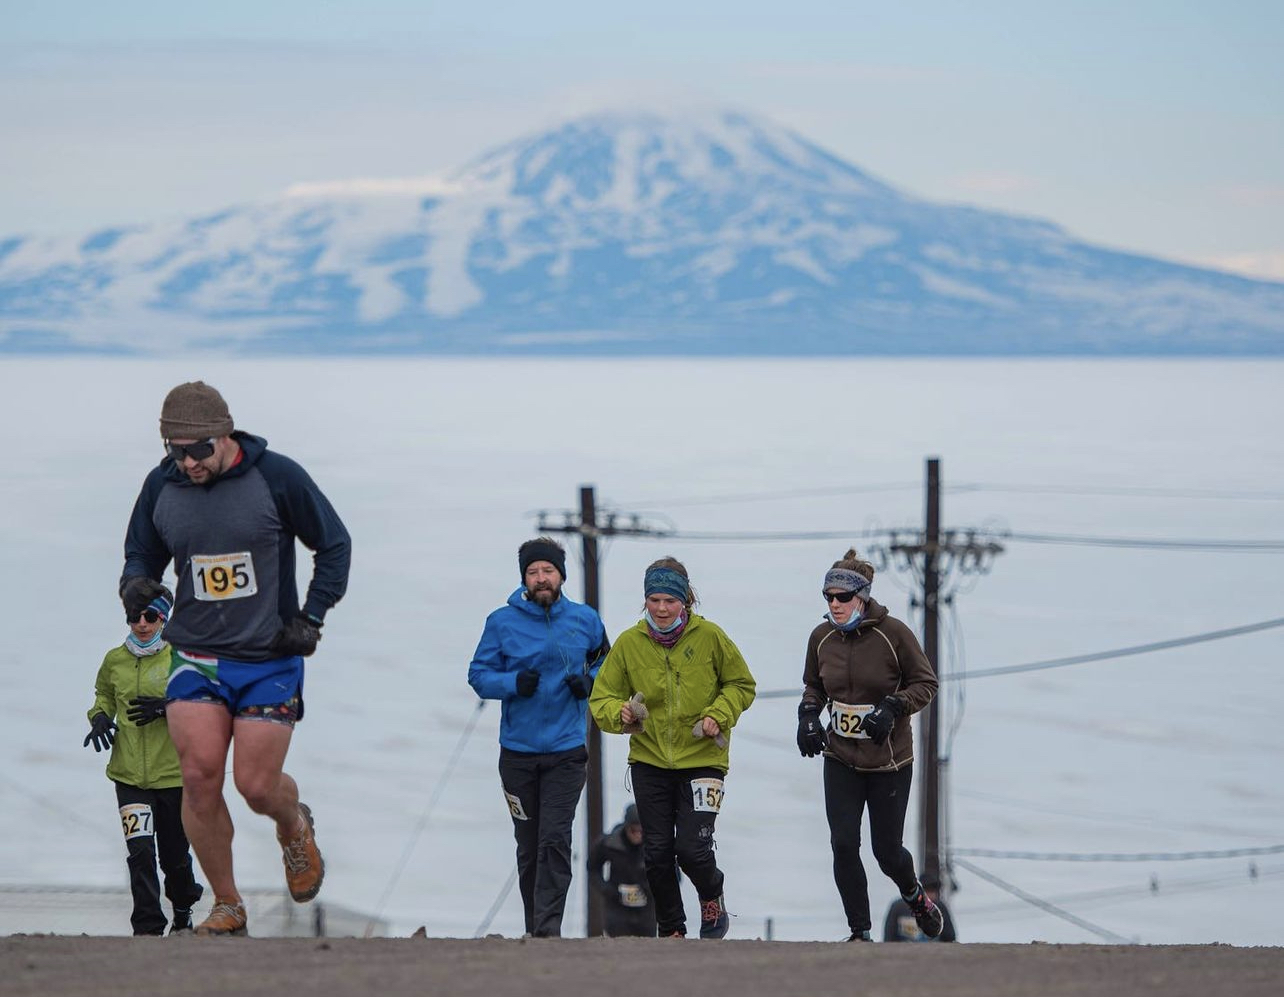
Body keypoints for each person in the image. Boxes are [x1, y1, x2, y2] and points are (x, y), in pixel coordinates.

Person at [120, 381, 351, 937]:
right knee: (198, 776)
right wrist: (134, 585)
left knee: (255, 786)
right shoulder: (162, 485)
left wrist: (312, 616)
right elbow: (141, 552)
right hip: (196, 655)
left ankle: (293, 825)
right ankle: (227, 904)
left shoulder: (277, 477)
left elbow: (334, 544)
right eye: (176, 451)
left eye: (199, 449)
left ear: (225, 436)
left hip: (269, 658)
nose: (189, 462)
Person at [589, 557, 756, 940]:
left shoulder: (711, 637)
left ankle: (711, 896)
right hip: (649, 761)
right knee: (658, 854)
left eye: (670, 600)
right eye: (654, 600)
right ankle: (672, 928)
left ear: (685, 601)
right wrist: (623, 713)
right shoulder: (630, 643)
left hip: (703, 760)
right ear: (645, 601)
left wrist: (719, 713)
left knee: (692, 851)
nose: (662, 609)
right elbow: (601, 701)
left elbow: (741, 685)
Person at [796, 549, 944, 942]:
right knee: (843, 844)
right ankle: (859, 931)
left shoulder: (893, 634)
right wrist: (808, 716)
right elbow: (814, 685)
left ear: (861, 596)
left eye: (842, 597)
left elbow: (926, 684)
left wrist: (893, 707)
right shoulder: (820, 637)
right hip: (841, 757)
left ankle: (915, 898)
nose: (834, 604)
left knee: (887, 852)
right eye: (828, 596)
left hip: (889, 762)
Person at [467, 537, 610, 938]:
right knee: (529, 846)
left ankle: (548, 931)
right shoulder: (501, 622)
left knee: (554, 840)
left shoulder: (585, 619)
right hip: (517, 755)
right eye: (533, 572)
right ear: (524, 579)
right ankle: (535, 927)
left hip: (567, 752)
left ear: (561, 575)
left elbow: (608, 661)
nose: (541, 578)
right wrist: (514, 682)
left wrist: (590, 681)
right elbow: (478, 675)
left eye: (548, 571)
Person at [84, 585, 205, 936]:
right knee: (140, 853)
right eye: (134, 617)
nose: (141, 624)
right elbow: (104, 695)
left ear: (164, 618)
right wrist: (99, 717)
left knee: (173, 858)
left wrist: (166, 708)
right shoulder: (114, 659)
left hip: (173, 777)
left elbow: (204, 703)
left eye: (149, 616)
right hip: (128, 776)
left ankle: (182, 909)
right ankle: (148, 928)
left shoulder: (181, 659)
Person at [587, 803, 656, 937]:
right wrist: (607, 890)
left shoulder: (656, 845)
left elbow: (673, 874)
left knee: (648, 948)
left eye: (641, 831)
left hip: (647, 908)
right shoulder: (608, 843)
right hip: (617, 906)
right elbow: (592, 869)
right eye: (633, 831)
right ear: (626, 826)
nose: (638, 835)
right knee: (617, 944)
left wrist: (653, 888)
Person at [883, 883, 957, 942]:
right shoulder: (898, 907)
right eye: (927, 891)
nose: (930, 896)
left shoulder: (941, 907)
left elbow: (950, 936)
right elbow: (889, 935)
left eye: (932, 892)